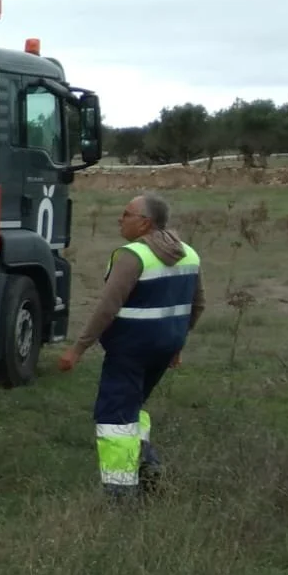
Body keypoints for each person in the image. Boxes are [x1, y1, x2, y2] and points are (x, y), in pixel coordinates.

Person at [57, 191, 204, 497]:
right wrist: (177, 343)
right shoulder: (189, 253)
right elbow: (198, 304)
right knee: (133, 407)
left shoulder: (132, 255)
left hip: (130, 350)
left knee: (114, 420)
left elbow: (107, 308)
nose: (120, 220)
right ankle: (148, 471)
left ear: (144, 224)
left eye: (127, 214)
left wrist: (78, 348)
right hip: (164, 349)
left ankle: (120, 493)